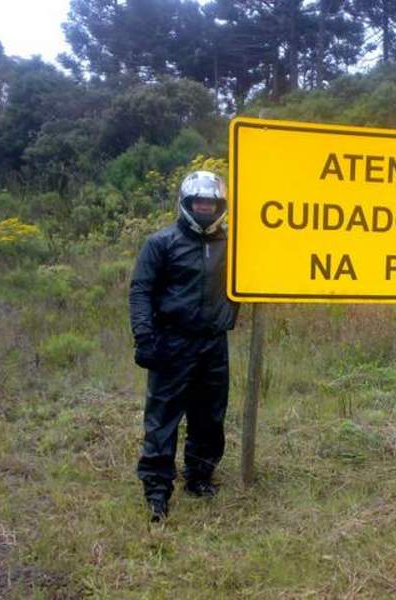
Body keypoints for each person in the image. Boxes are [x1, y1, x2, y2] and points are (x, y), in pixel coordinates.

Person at [129, 170, 238, 522]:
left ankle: (200, 477)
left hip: (213, 343)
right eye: (199, 202)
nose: (205, 208)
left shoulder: (233, 245)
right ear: (187, 203)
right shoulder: (161, 243)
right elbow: (141, 290)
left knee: (210, 416)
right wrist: (145, 338)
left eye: (212, 203)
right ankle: (157, 489)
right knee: (162, 418)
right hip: (171, 342)